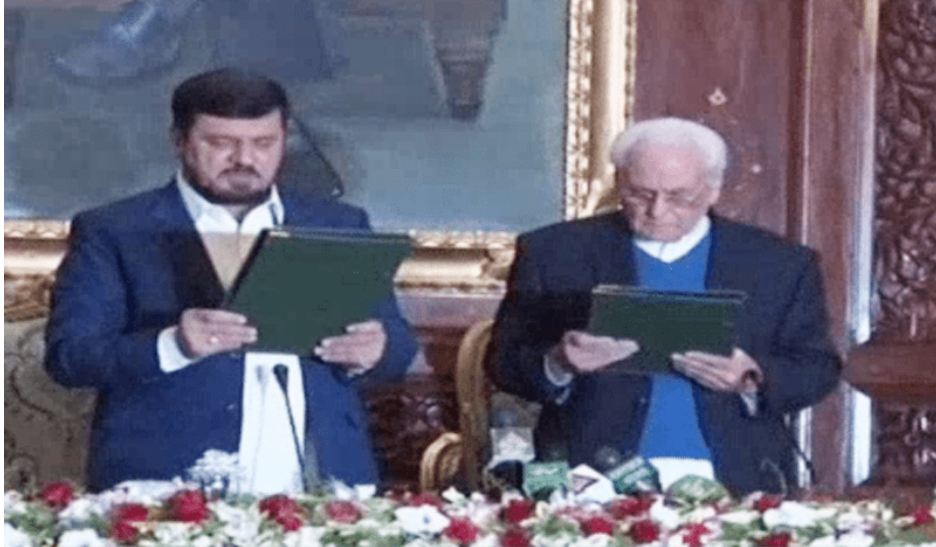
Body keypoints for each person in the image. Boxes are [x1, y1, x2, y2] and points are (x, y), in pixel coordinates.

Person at [44, 68, 418, 493]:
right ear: (180, 141)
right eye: (222, 143)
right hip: (166, 483)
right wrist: (173, 344)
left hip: (323, 476)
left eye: (264, 143)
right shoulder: (114, 230)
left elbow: (398, 345)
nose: (245, 159)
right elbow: (70, 358)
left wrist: (375, 350)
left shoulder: (341, 223)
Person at [489, 117, 841, 495]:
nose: (657, 211)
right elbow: (503, 362)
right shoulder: (555, 253)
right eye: (640, 194)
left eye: (678, 197)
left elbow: (817, 368)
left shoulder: (779, 264)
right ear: (620, 182)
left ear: (713, 190)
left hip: (734, 473)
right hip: (590, 473)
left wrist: (751, 377)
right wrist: (559, 362)